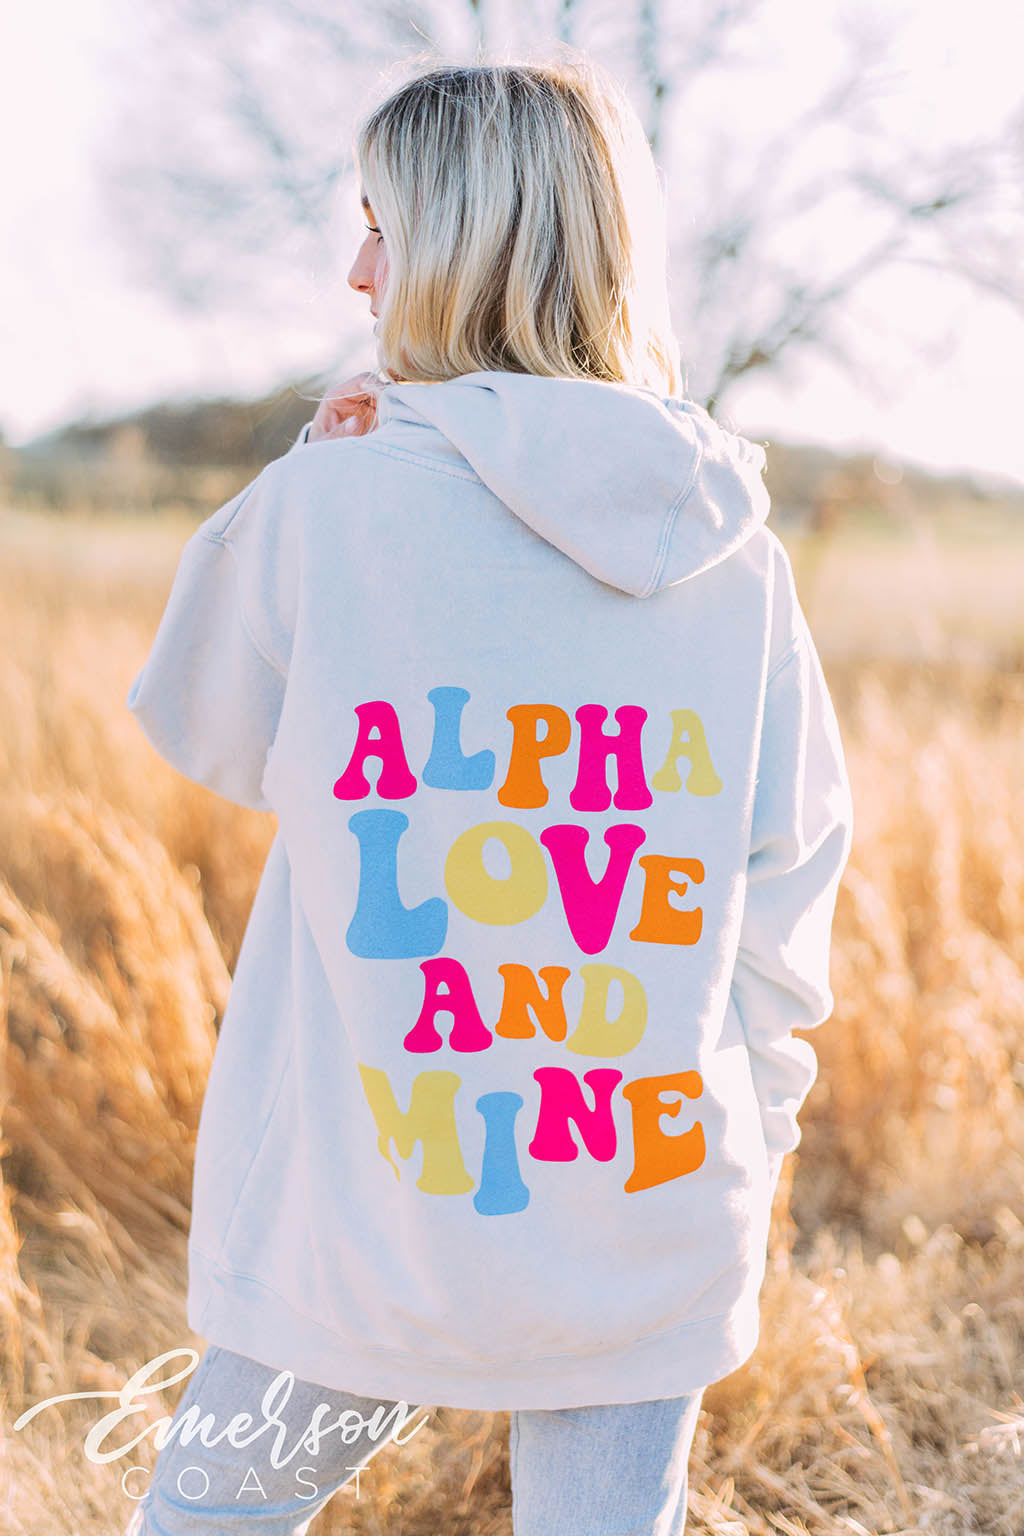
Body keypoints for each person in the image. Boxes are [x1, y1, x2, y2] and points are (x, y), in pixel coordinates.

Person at [122, 48, 854, 1536]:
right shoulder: (738, 552)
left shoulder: (332, 501)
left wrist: (310, 464)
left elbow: (203, 726)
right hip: (648, 1196)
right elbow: (792, 870)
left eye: (379, 227)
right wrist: (756, 1126)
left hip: (364, 1212)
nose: (356, 272)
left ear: (463, 243)